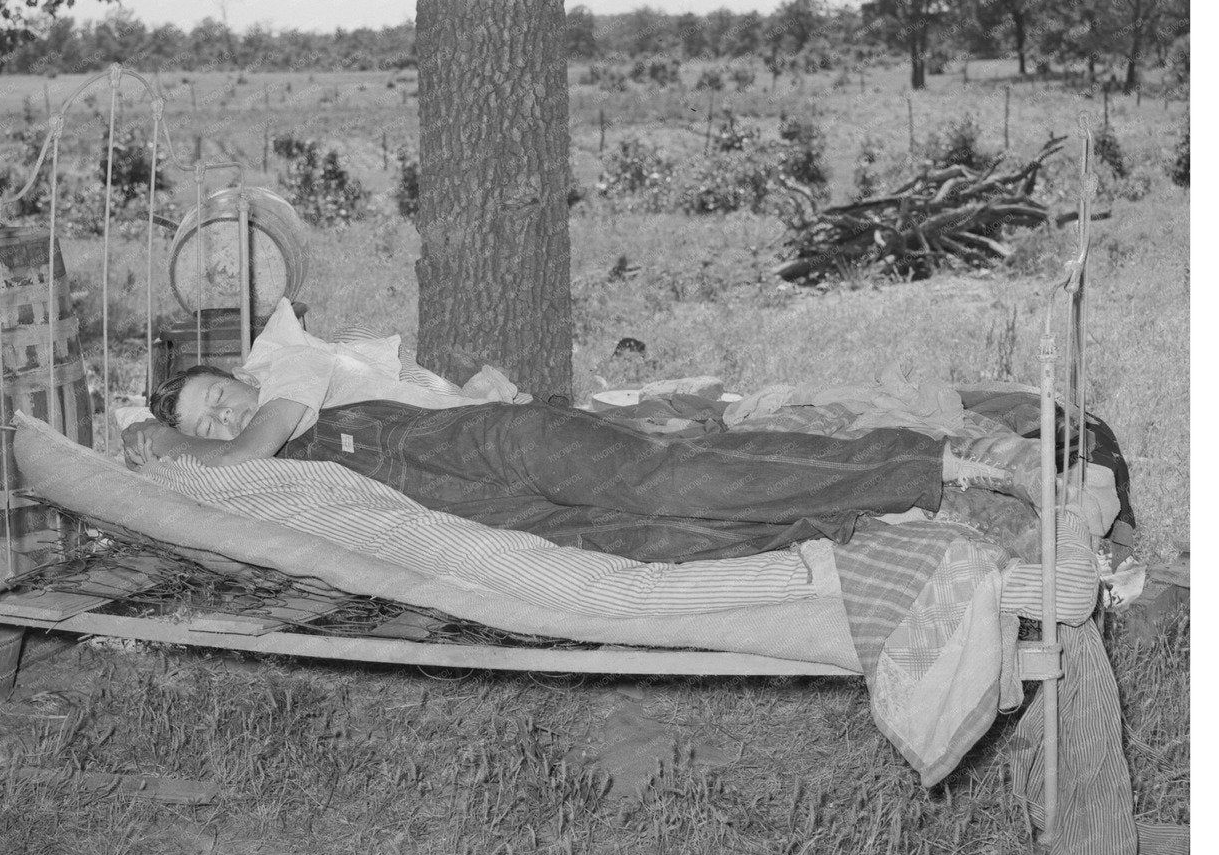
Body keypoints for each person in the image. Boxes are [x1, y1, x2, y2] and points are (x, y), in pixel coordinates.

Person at [121, 304, 1042, 562]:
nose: (223, 417)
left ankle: (946, 462)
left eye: (217, 398)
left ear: (241, 378)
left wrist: (165, 442)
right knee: (654, 539)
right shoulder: (279, 472)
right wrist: (160, 442)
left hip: (485, 441)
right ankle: (873, 515)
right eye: (207, 420)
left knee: (675, 479)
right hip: (454, 504)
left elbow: (241, 453)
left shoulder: (288, 374)